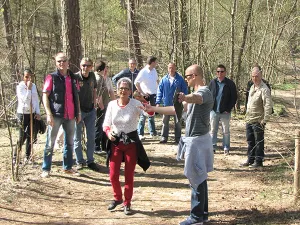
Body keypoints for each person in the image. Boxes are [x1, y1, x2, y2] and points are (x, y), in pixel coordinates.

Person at [145, 65, 214, 225]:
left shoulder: (204, 91)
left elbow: (197, 98)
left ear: (195, 75)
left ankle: (196, 218)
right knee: (200, 178)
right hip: (195, 141)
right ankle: (202, 214)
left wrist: (185, 97)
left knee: (196, 178)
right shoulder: (193, 95)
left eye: (188, 76)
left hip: (198, 142)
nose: (185, 79)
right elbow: (174, 110)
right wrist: (153, 108)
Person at [103, 78, 150, 215]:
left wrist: (145, 101)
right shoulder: (112, 104)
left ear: (130, 91)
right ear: (117, 90)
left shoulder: (135, 104)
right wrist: (108, 132)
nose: (123, 91)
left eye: (126, 88)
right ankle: (117, 197)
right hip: (116, 142)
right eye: (121, 88)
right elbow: (106, 123)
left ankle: (127, 202)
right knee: (113, 175)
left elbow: (150, 113)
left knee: (129, 175)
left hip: (131, 143)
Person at [41, 52, 81, 178]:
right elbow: (45, 95)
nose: (61, 63)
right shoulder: (51, 77)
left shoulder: (74, 78)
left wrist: (78, 112)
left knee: (69, 142)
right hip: (56, 115)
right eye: (59, 61)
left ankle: (68, 167)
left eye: (63, 60)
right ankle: (46, 168)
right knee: (50, 143)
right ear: (56, 63)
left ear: (68, 62)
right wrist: (48, 114)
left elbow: (76, 97)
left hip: (70, 115)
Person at [240, 65, 273, 168]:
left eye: (257, 76)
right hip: (249, 119)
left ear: (261, 75)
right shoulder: (251, 87)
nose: (255, 78)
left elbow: (268, 105)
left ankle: (258, 161)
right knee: (250, 141)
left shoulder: (264, 89)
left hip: (259, 120)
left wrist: (265, 119)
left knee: (259, 141)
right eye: (253, 76)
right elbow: (249, 103)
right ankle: (250, 159)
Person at [73, 57, 100, 171]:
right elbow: (74, 95)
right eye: (83, 65)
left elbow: (94, 90)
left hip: (90, 110)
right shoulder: (75, 77)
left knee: (91, 136)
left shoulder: (93, 76)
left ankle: (90, 160)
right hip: (79, 111)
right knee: (77, 137)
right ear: (80, 66)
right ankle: (79, 161)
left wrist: (94, 104)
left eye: (88, 65)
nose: (85, 67)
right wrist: (77, 111)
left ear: (91, 67)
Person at [156, 63, 188, 144]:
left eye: (173, 68)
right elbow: (159, 91)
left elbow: (185, 91)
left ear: (175, 68)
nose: (171, 69)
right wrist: (158, 102)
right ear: (168, 69)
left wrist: (184, 101)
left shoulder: (180, 79)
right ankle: (164, 137)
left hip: (177, 104)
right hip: (166, 104)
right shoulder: (164, 79)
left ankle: (178, 138)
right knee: (165, 122)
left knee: (178, 122)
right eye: (170, 68)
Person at [208, 64, 237, 154]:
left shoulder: (230, 83)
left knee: (226, 131)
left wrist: (228, 109)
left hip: (225, 112)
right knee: (213, 130)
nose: (219, 73)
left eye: (222, 71)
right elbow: (208, 95)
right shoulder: (212, 82)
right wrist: (210, 107)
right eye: (218, 71)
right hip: (213, 111)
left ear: (225, 72)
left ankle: (226, 147)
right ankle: (212, 147)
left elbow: (234, 97)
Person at [14, 69, 41, 163]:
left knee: (30, 135)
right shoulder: (20, 87)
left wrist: (38, 112)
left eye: (30, 77)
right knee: (22, 136)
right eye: (26, 77)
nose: (28, 79)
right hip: (22, 113)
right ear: (23, 77)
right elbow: (25, 100)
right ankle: (15, 156)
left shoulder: (34, 86)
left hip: (32, 114)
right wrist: (28, 89)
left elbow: (36, 100)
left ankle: (27, 156)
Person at [134, 56, 159, 139]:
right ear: (152, 62)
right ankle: (140, 133)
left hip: (153, 95)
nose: (156, 63)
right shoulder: (143, 72)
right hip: (146, 97)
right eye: (155, 62)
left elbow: (156, 81)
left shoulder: (154, 70)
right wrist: (143, 93)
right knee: (143, 115)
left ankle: (153, 132)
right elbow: (136, 83)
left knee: (152, 114)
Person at [94, 61, 116, 154]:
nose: (106, 70)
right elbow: (98, 94)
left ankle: (104, 145)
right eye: (105, 68)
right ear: (102, 69)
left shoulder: (106, 79)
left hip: (107, 105)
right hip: (100, 107)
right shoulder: (97, 78)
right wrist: (101, 106)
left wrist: (115, 103)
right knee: (99, 126)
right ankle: (96, 146)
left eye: (107, 68)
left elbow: (111, 92)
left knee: (105, 125)